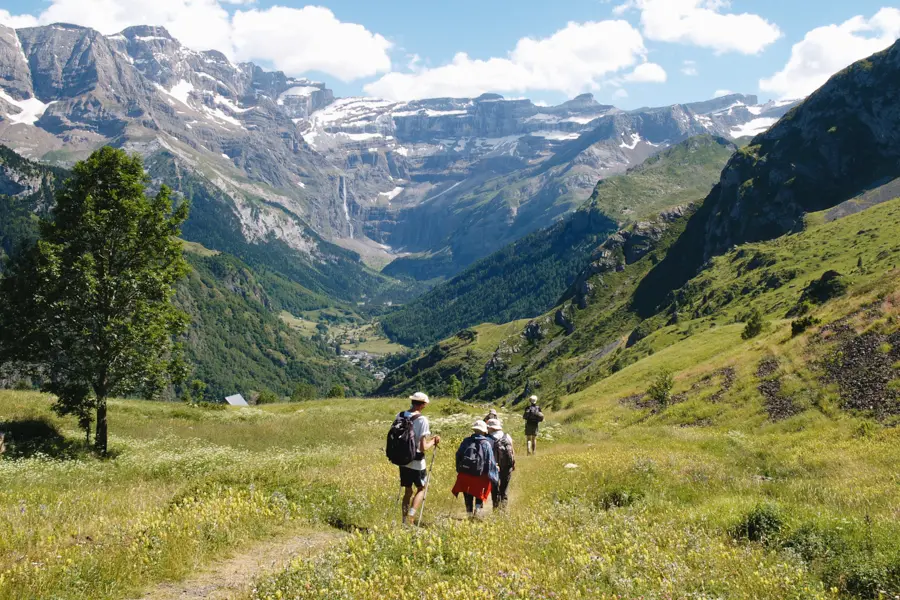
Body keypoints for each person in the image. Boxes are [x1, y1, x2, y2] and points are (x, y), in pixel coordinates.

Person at [397, 392, 440, 525]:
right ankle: (411, 516)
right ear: (423, 404)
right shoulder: (422, 420)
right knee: (421, 488)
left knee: (407, 490)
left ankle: (404, 520)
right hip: (417, 461)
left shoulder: (400, 415)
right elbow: (423, 447)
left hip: (403, 459)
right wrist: (434, 441)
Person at [452, 420, 498, 519]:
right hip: (479, 475)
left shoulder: (466, 441)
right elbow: (490, 461)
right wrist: (494, 476)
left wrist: (459, 470)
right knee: (479, 493)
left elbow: (458, 455)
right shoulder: (486, 443)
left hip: (465, 473)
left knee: (467, 493)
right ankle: (477, 510)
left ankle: (469, 513)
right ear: (484, 431)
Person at [487, 418, 515, 510]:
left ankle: (495, 508)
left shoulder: (488, 439)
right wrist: (513, 464)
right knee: (504, 489)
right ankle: (503, 510)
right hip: (507, 466)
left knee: (494, 489)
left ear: (491, 428)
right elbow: (512, 451)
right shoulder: (507, 436)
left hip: (494, 467)